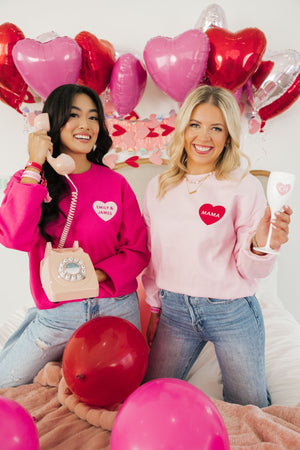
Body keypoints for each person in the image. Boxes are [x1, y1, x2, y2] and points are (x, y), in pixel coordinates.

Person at [142, 85, 292, 407]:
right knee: (148, 397)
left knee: (249, 407)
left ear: (228, 137)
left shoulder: (244, 186)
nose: (203, 137)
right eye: (195, 125)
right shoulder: (159, 187)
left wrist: (264, 244)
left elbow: (250, 269)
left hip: (231, 311)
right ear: (183, 129)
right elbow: (153, 258)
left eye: (216, 128)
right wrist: (155, 308)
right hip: (175, 312)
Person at [0, 83, 150, 388]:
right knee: (6, 382)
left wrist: (96, 275)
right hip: (58, 313)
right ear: (51, 123)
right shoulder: (32, 179)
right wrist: (34, 164)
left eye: (93, 117)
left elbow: (138, 250)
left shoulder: (115, 183)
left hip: (115, 308)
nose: (85, 125)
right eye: (73, 115)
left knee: (124, 391)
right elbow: (14, 237)